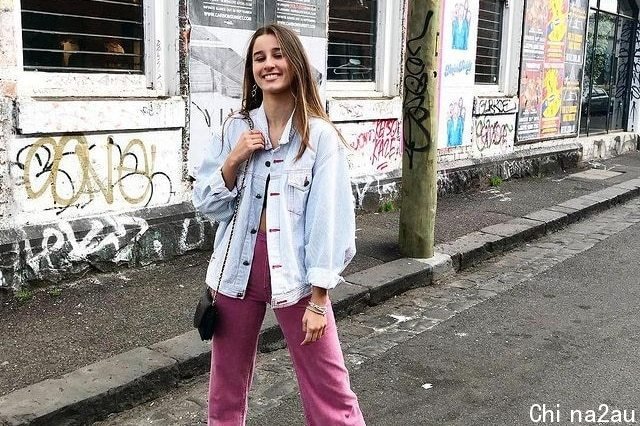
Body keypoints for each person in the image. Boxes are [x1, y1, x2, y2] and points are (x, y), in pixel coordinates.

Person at [192, 23, 365, 426]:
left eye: (277, 54)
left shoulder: (318, 136)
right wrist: (233, 160)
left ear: (295, 62)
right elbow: (207, 204)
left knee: (329, 388)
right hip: (236, 270)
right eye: (259, 57)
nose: (268, 64)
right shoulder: (235, 128)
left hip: (298, 274)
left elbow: (330, 220)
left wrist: (320, 300)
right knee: (224, 392)